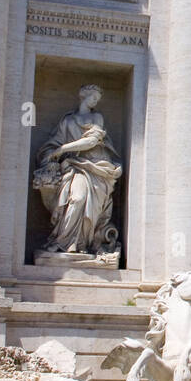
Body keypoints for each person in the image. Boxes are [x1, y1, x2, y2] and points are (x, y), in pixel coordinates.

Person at [34, 85, 122, 254]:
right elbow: (53, 144)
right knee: (76, 199)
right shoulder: (67, 121)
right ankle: (64, 242)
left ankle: (80, 244)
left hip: (96, 167)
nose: (96, 101)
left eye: (98, 99)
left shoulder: (97, 117)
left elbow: (91, 142)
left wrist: (62, 149)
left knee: (84, 201)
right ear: (84, 97)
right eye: (93, 97)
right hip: (74, 166)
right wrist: (51, 155)